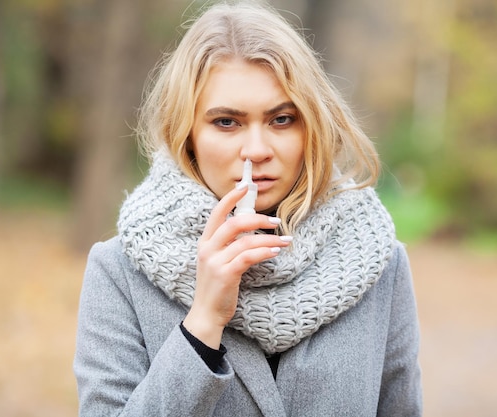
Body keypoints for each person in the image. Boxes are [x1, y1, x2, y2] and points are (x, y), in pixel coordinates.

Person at [73, 1, 422, 416]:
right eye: (226, 122)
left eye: (282, 119)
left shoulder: (377, 263)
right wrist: (202, 322)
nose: (256, 151)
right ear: (187, 136)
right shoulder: (119, 273)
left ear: (311, 125)